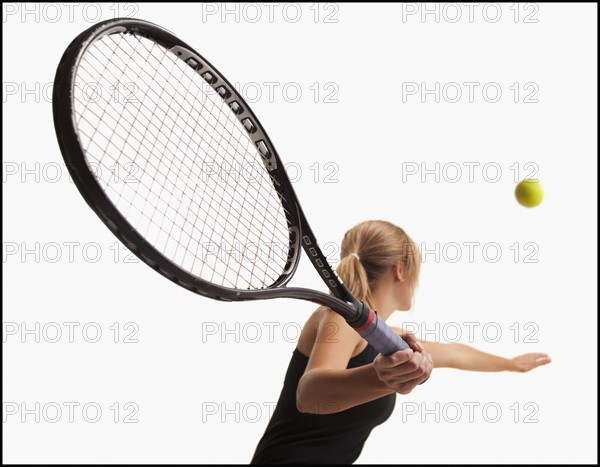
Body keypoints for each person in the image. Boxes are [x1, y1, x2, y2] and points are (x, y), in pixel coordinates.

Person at [250, 220, 551, 464]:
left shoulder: (381, 334)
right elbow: (310, 394)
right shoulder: (337, 319)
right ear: (401, 270)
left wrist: (512, 365)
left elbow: (456, 354)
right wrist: (381, 376)